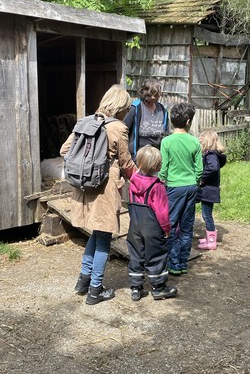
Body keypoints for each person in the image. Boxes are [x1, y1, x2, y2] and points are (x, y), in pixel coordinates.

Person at [60, 85, 137, 305]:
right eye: (127, 107)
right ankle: (95, 290)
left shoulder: (85, 122)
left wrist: (85, 167)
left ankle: (83, 282)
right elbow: (125, 162)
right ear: (121, 106)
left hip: (83, 187)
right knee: (103, 237)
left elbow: (64, 151)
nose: (128, 111)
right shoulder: (118, 128)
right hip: (105, 187)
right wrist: (141, 179)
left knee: (95, 233)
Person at [126, 145, 177, 301]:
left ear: (139, 163)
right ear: (157, 166)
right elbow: (162, 212)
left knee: (136, 254)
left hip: (135, 225)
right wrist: (166, 229)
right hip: (152, 227)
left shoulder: (133, 182)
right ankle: (159, 287)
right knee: (156, 255)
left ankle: (136, 288)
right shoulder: (157, 187)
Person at [159, 102, 203, 276]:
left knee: (170, 225)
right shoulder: (194, 142)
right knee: (186, 226)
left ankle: (171, 261)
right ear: (187, 121)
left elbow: (164, 167)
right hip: (191, 187)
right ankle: (182, 263)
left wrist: (162, 181)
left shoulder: (166, 141)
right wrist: (195, 181)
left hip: (172, 187)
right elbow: (199, 168)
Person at [123, 78, 169, 161]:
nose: (160, 94)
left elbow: (166, 134)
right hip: (138, 159)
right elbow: (123, 130)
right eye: (157, 92)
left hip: (157, 158)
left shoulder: (162, 110)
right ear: (150, 94)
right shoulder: (136, 108)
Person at [196, 130, 227, 250]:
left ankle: (212, 242)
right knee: (206, 214)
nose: (201, 146)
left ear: (207, 142)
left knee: (207, 215)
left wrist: (202, 179)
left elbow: (213, 168)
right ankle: (209, 238)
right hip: (210, 190)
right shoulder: (215, 155)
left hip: (208, 191)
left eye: (202, 143)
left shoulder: (211, 155)